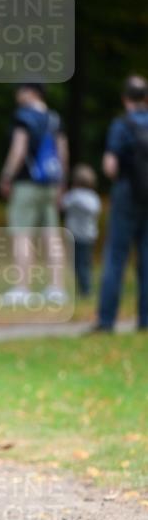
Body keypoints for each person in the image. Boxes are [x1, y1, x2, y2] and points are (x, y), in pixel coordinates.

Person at [0, 84, 69, 307]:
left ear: (31, 92)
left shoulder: (23, 117)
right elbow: (62, 152)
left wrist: (7, 176)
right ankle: (56, 288)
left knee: (22, 234)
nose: (16, 95)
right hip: (50, 183)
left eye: (19, 90)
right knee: (52, 234)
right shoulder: (54, 118)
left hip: (26, 183)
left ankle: (22, 288)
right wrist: (61, 182)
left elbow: (19, 150)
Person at [93, 75, 148, 332]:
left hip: (126, 193)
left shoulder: (121, 125)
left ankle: (106, 321)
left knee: (116, 256)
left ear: (125, 98)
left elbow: (110, 166)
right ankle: (145, 320)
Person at [61, 164, 101, 297]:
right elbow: (96, 210)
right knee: (85, 264)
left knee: (73, 264)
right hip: (89, 236)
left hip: (73, 235)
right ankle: (85, 289)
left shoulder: (72, 196)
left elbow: (62, 204)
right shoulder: (93, 197)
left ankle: (78, 289)